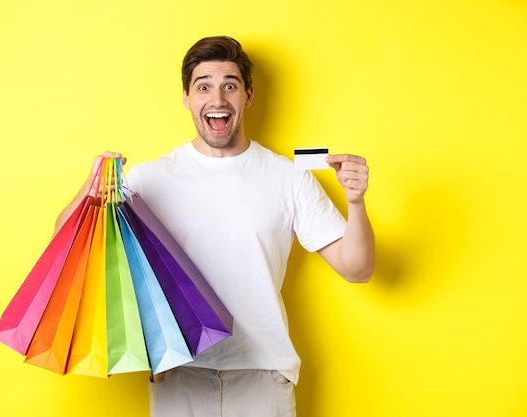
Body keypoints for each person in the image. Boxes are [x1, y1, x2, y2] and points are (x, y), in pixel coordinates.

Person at [55, 36, 374, 417]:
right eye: (203, 86)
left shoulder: (288, 178)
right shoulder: (148, 179)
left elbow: (357, 268)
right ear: (187, 98)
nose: (217, 99)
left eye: (230, 86)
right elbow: (65, 244)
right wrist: (88, 190)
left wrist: (355, 203)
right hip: (179, 372)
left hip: (262, 374)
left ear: (248, 95)